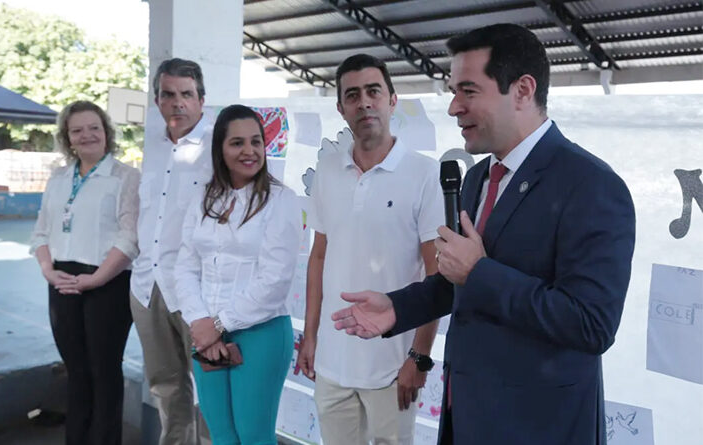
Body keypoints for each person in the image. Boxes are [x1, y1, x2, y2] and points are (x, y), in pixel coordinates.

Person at [331, 24, 636, 445]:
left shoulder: (591, 186)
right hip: (469, 415)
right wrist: (397, 308)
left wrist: (480, 272)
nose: (454, 107)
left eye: (468, 91)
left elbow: (592, 324)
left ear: (523, 90)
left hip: (539, 426)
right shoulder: (476, 180)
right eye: (453, 91)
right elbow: (458, 281)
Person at [297, 54, 444, 445]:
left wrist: (419, 357)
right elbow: (319, 256)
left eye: (373, 91)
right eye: (353, 95)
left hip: (393, 368)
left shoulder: (424, 174)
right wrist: (310, 336)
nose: (364, 102)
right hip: (332, 364)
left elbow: (437, 277)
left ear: (392, 100)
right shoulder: (328, 169)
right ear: (341, 107)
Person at [174, 104, 301, 444]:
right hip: (205, 333)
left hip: (261, 334)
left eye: (256, 142)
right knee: (222, 436)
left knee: (254, 437)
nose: (249, 151)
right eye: (237, 143)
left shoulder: (281, 200)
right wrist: (201, 321)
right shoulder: (203, 196)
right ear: (220, 148)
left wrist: (216, 325)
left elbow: (274, 281)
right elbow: (185, 265)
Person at [30, 100, 139, 445]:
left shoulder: (126, 177)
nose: (87, 135)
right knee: (76, 372)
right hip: (61, 281)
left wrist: (98, 278)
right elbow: (42, 232)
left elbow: (130, 236)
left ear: (107, 132)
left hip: (107, 283)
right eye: (77, 130)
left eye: (94, 127)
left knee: (104, 372)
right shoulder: (59, 179)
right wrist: (48, 270)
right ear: (68, 138)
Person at [130, 58, 213, 444]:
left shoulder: (219, 148)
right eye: (168, 94)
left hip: (198, 291)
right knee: (165, 387)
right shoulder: (154, 148)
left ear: (201, 99)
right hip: (148, 287)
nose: (177, 102)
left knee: (212, 389)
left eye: (186, 94)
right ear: (157, 100)